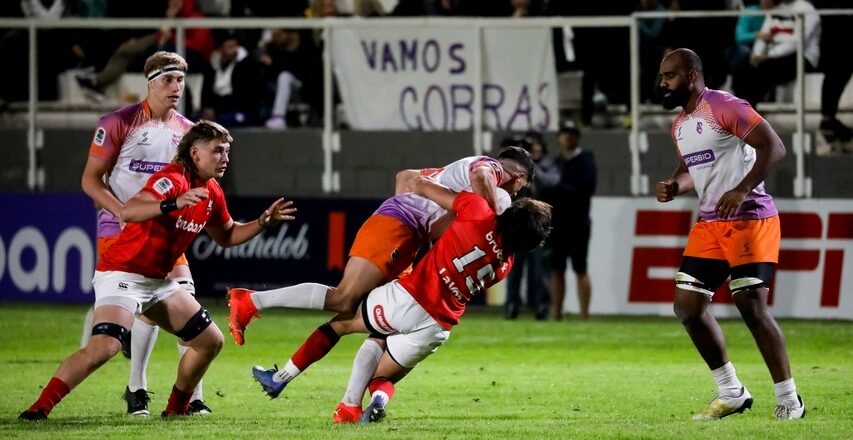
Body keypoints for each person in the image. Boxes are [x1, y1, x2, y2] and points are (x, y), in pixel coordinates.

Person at [19, 120, 297, 421]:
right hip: (122, 273)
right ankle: (39, 408)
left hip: (159, 283)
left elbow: (227, 235)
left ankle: (176, 409)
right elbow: (129, 211)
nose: (225, 158)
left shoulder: (212, 191)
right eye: (217, 151)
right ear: (195, 153)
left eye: (227, 151)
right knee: (105, 347)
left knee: (210, 342)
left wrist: (261, 223)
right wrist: (171, 203)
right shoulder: (173, 180)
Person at [250, 176, 552, 423]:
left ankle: (282, 375)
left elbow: (421, 185)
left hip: (409, 299)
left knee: (342, 317)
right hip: (438, 326)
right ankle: (370, 403)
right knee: (381, 374)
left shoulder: (476, 210)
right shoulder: (505, 265)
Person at [655, 48, 805, 420]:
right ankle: (732, 391)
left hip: (750, 216)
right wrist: (676, 185)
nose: (662, 83)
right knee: (688, 308)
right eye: (661, 77)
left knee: (751, 305)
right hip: (710, 224)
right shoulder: (680, 125)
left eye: (669, 76)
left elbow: (774, 146)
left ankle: (790, 399)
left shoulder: (725, 106)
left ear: (692, 75)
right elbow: (692, 170)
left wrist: (742, 188)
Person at [79, 51, 214, 416]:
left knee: (187, 301)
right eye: (169, 80)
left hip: (165, 229)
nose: (176, 87)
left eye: (181, 80)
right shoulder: (119, 122)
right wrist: (121, 210)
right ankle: (136, 386)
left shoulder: (188, 132)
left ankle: (193, 397)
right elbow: (90, 180)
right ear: (151, 82)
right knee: (145, 305)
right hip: (119, 229)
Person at [503, 133, 559, 320]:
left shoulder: (547, 165)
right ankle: (511, 305)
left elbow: (552, 182)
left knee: (539, 270)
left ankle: (541, 306)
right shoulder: (511, 168)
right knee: (513, 269)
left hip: (536, 225)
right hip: (515, 225)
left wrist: (531, 165)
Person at [549, 121, 596, 321]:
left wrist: (559, 186)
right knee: (557, 268)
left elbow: (586, 188)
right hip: (558, 222)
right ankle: (556, 312)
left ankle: (584, 315)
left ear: (577, 137)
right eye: (564, 133)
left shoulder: (585, 160)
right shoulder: (557, 162)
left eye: (571, 133)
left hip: (578, 222)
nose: (567, 137)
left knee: (580, 268)